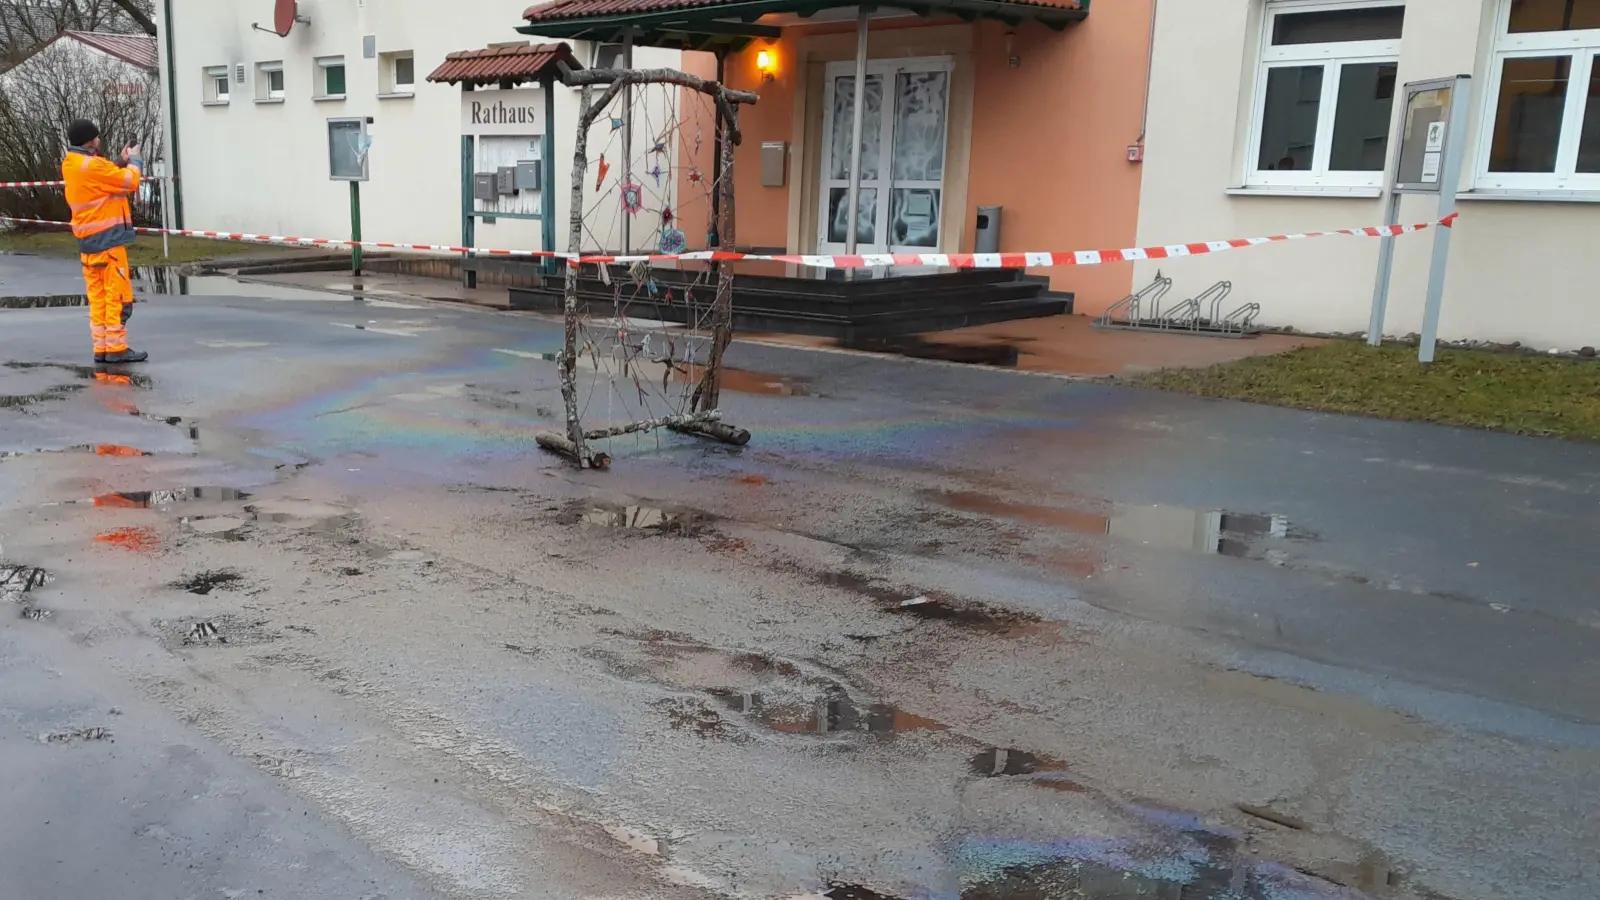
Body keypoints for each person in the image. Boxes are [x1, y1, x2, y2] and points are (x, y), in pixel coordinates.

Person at [62, 118, 146, 364]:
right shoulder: (94, 166)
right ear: (91, 140)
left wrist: (120, 162)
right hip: (108, 242)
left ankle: (102, 348)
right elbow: (130, 182)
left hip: (88, 243)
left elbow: (104, 179)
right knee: (117, 297)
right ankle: (117, 349)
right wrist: (135, 160)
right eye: (97, 137)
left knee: (98, 299)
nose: (100, 140)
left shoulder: (72, 164)